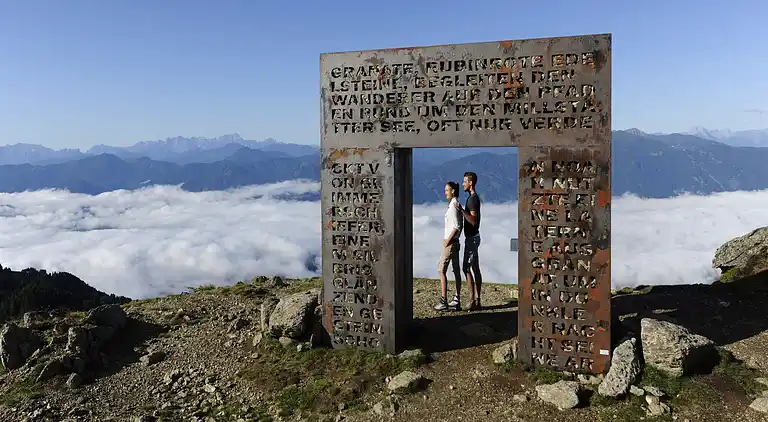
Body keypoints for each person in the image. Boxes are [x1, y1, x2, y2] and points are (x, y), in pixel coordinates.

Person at [454, 171, 483, 310]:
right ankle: (477, 300)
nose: (464, 183)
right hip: (474, 237)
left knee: (466, 267)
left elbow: (473, 220)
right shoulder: (473, 198)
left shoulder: (472, 199)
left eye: (465, 181)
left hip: (471, 238)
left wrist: (461, 210)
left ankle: (472, 300)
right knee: (475, 268)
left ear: (471, 183)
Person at [434, 181, 463, 312]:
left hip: (450, 243)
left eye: (447, 190)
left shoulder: (453, 207)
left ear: (453, 191)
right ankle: (456, 300)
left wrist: (447, 241)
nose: (445, 192)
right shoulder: (454, 205)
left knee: (441, 269)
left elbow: (457, 226)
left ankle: (443, 301)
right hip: (455, 242)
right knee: (456, 270)